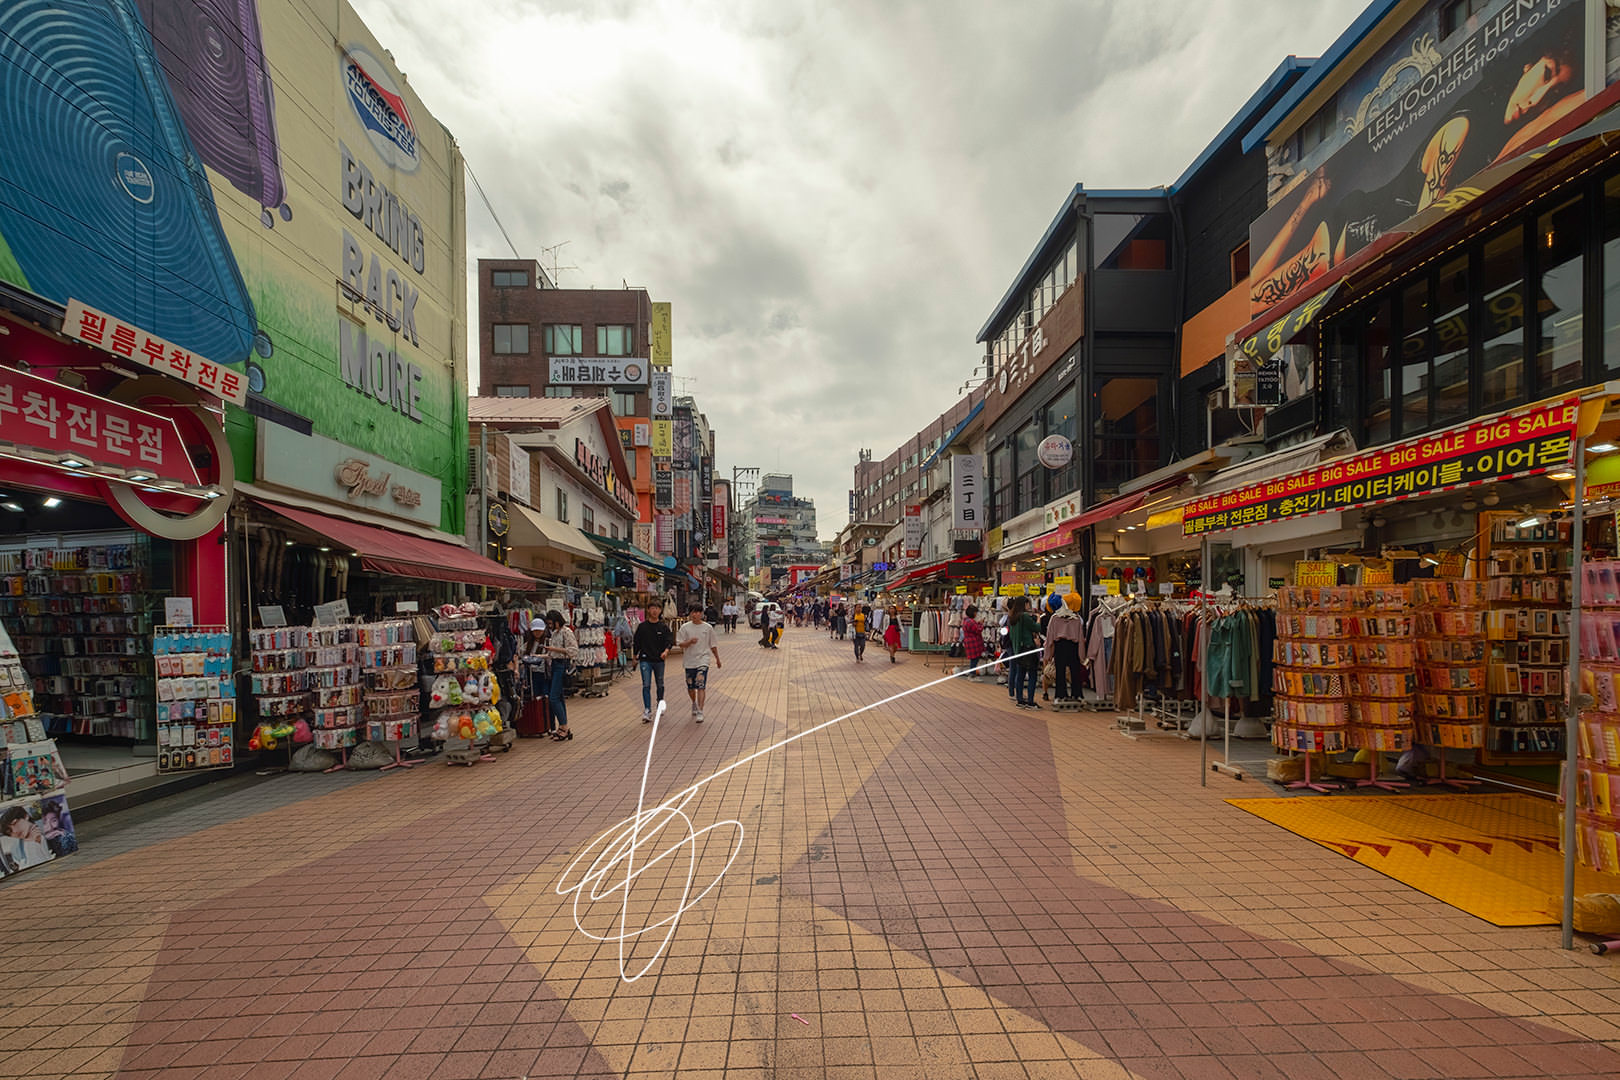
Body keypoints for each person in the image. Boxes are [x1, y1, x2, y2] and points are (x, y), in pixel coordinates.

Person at [673, 604, 722, 722]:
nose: (696, 615)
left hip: (703, 659)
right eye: (693, 612)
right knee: (691, 687)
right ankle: (693, 703)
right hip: (689, 661)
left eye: (698, 612)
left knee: (701, 684)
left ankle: (700, 710)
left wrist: (717, 659)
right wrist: (689, 642)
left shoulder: (708, 628)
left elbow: (713, 645)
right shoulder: (685, 627)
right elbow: (679, 643)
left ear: (702, 614)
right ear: (690, 613)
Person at [632, 599, 675, 722]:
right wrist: (635, 657)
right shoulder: (642, 627)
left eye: (657, 608)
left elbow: (669, 641)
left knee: (660, 683)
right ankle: (647, 710)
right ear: (648, 610)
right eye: (652, 608)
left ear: (660, 610)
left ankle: (659, 703)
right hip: (645, 659)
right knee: (646, 685)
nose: (654, 611)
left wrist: (666, 651)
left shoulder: (663, 627)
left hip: (659, 660)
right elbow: (637, 642)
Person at [541, 610, 578, 740]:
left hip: (562, 666)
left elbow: (573, 651)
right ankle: (562, 727)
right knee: (559, 697)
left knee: (554, 698)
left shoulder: (566, 632)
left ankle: (564, 727)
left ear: (557, 621)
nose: (550, 626)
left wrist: (553, 649)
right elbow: (553, 653)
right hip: (555, 664)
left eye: (551, 623)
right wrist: (542, 655)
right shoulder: (555, 633)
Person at [1043, 592, 1086, 702]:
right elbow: (1080, 638)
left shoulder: (1055, 618)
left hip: (1060, 646)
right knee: (1075, 671)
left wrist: (1047, 654)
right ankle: (1077, 694)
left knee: (1060, 672)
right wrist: (1082, 656)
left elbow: (1050, 638)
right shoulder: (1076, 619)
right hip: (1073, 646)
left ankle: (1060, 695)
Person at [1006, 596, 1042, 710]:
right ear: (1024, 604)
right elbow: (1036, 628)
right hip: (1028, 648)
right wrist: (1038, 618)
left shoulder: (1012, 617)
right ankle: (1030, 702)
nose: (1029, 606)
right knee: (1032, 675)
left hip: (1018, 650)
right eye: (1028, 604)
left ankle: (1020, 699)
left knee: (1020, 675)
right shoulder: (1025, 616)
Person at [0, 805, 52, 870]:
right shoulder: (16, 849)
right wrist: (32, 843)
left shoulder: (50, 831)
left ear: (25, 816)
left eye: (15, 823)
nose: (15, 831)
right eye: (9, 832)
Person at [961, 604, 985, 678]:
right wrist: (981, 624)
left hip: (970, 642)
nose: (976, 614)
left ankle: (972, 673)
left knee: (973, 659)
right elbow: (978, 630)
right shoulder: (970, 622)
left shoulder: (967, 621)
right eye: (975, 612)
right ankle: (972, 675)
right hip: (973, 643)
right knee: (974, 659)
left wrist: (978, 623)